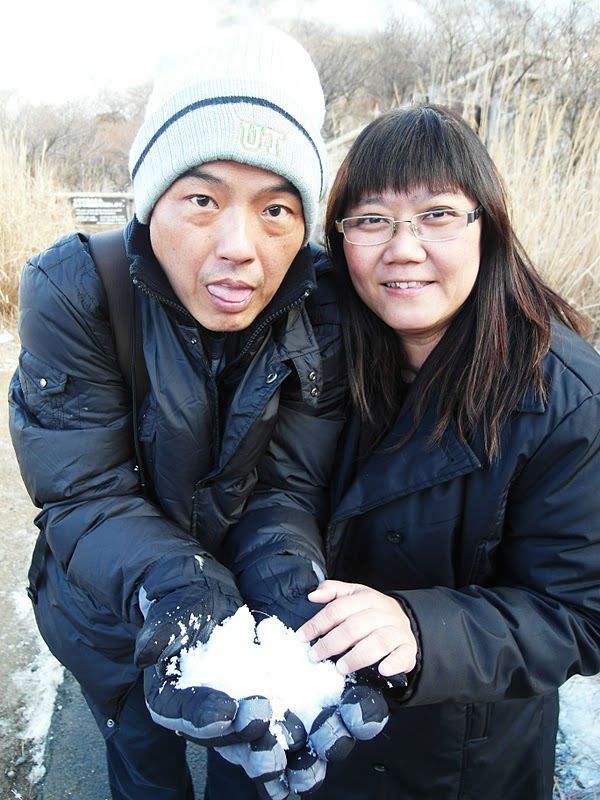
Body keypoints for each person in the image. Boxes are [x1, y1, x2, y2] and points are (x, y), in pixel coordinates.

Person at [8, 23, 389, 800]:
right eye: (203, 199)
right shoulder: (77, 290)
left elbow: (286, 488)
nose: (240, 245)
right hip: (107, 610)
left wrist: (292, 599)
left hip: (245, 602)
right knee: (142, 763)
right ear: (152, 198)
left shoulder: (323, 307)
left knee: (250, 761)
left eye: (276, 209)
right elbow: (84, 491)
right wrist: (181, 587)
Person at [296, 104, 600, 799]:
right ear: (339, 238)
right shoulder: (306, 355)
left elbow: (580, 613)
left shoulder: (567, 400)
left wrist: (422, 630)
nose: (403, 249)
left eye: (436, 215)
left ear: (486, 227)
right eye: (372, 219)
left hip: (463, 761)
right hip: (304, 723)